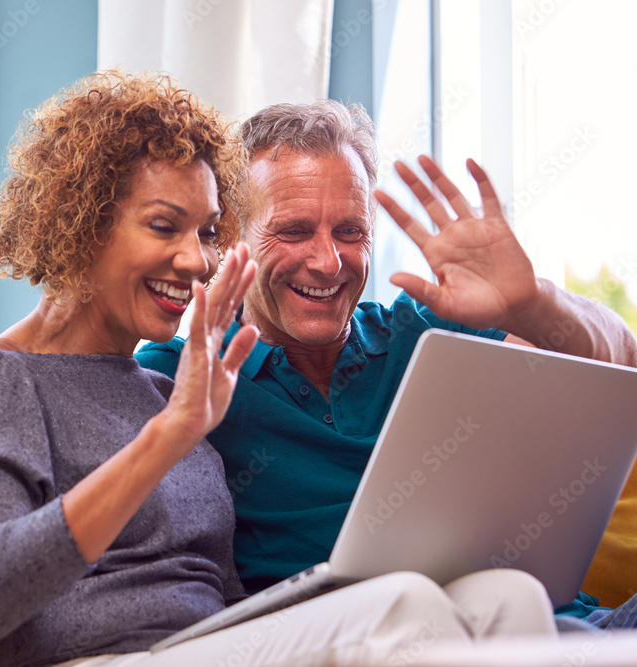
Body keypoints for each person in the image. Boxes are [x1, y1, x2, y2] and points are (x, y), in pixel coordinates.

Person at [0, 72, 555, 667]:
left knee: (508, 599)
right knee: (405, 608)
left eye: (210, 232)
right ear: (81, 222)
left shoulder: (166, 388)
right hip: (103, 658)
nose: (197, 261)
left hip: (206, 646)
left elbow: (219, 592)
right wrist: (169, 437)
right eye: (165, 226)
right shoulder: (4, 377)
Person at [135, 100, 637, 627]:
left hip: (564, 628)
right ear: (233, 232)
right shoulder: (180, 373)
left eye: (350, 232)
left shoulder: (426, 330)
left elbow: (620, 359)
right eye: (295, 230)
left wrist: (531, 303)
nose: (328, 263)